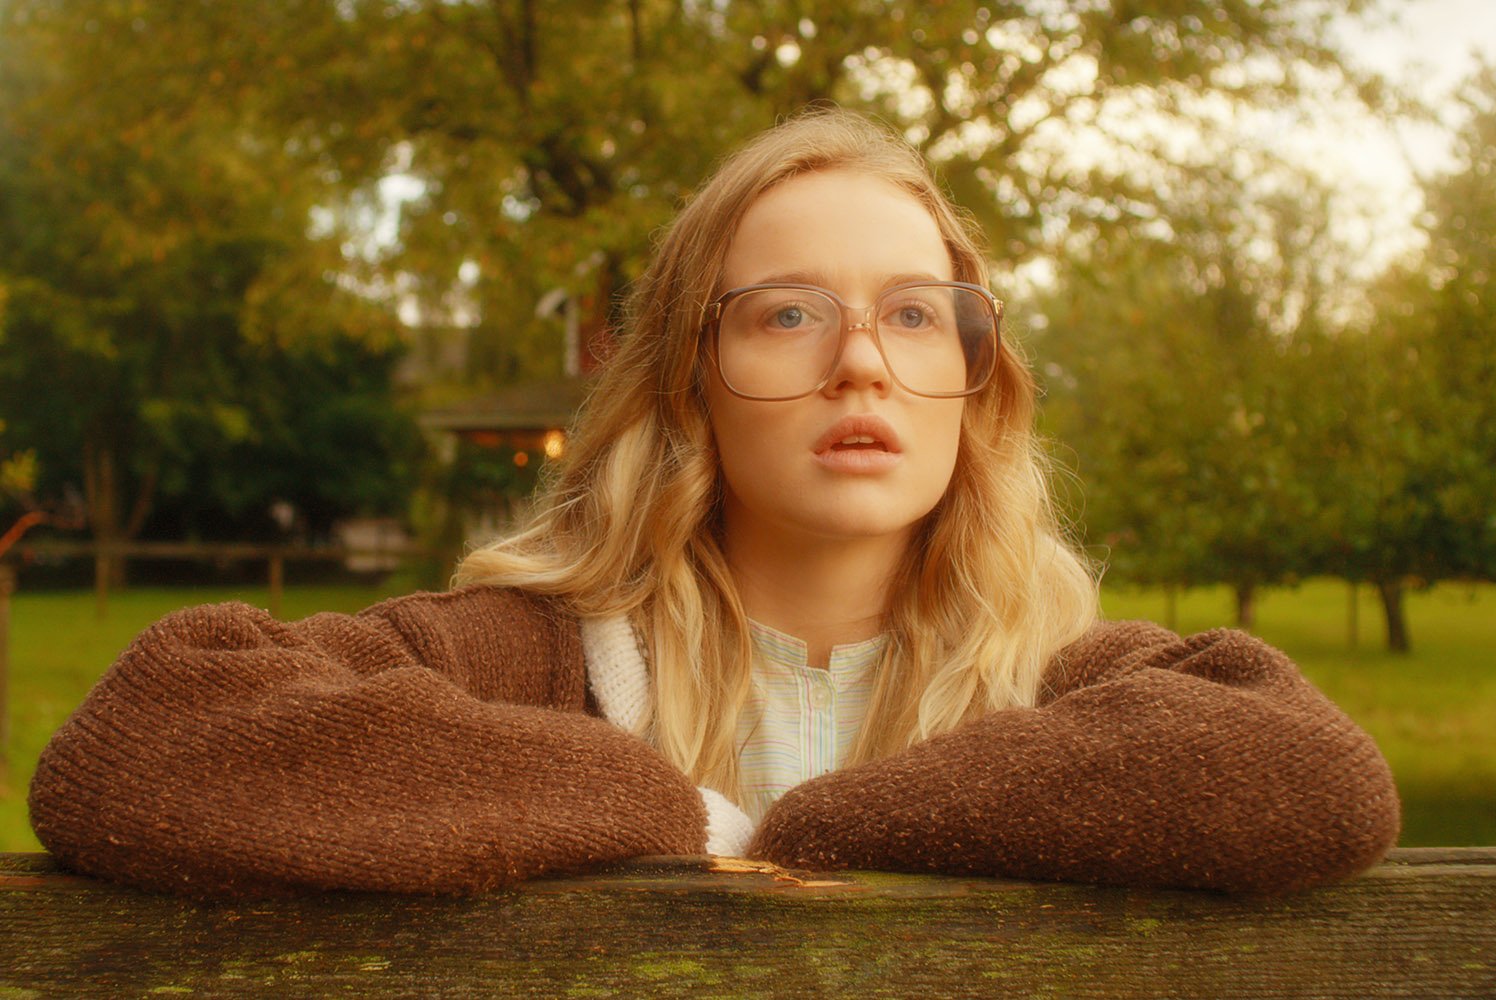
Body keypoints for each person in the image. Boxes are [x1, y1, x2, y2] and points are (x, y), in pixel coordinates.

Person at [28, 108, 1400, 899]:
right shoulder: (527, 657)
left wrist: (832, 825)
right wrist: (674, 815)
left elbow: (1316, 777)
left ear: (975, 385)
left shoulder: (1057, 673)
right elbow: (143, 741)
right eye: (789, 312)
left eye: (916, 315)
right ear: (689, 380)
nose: (860, 357)